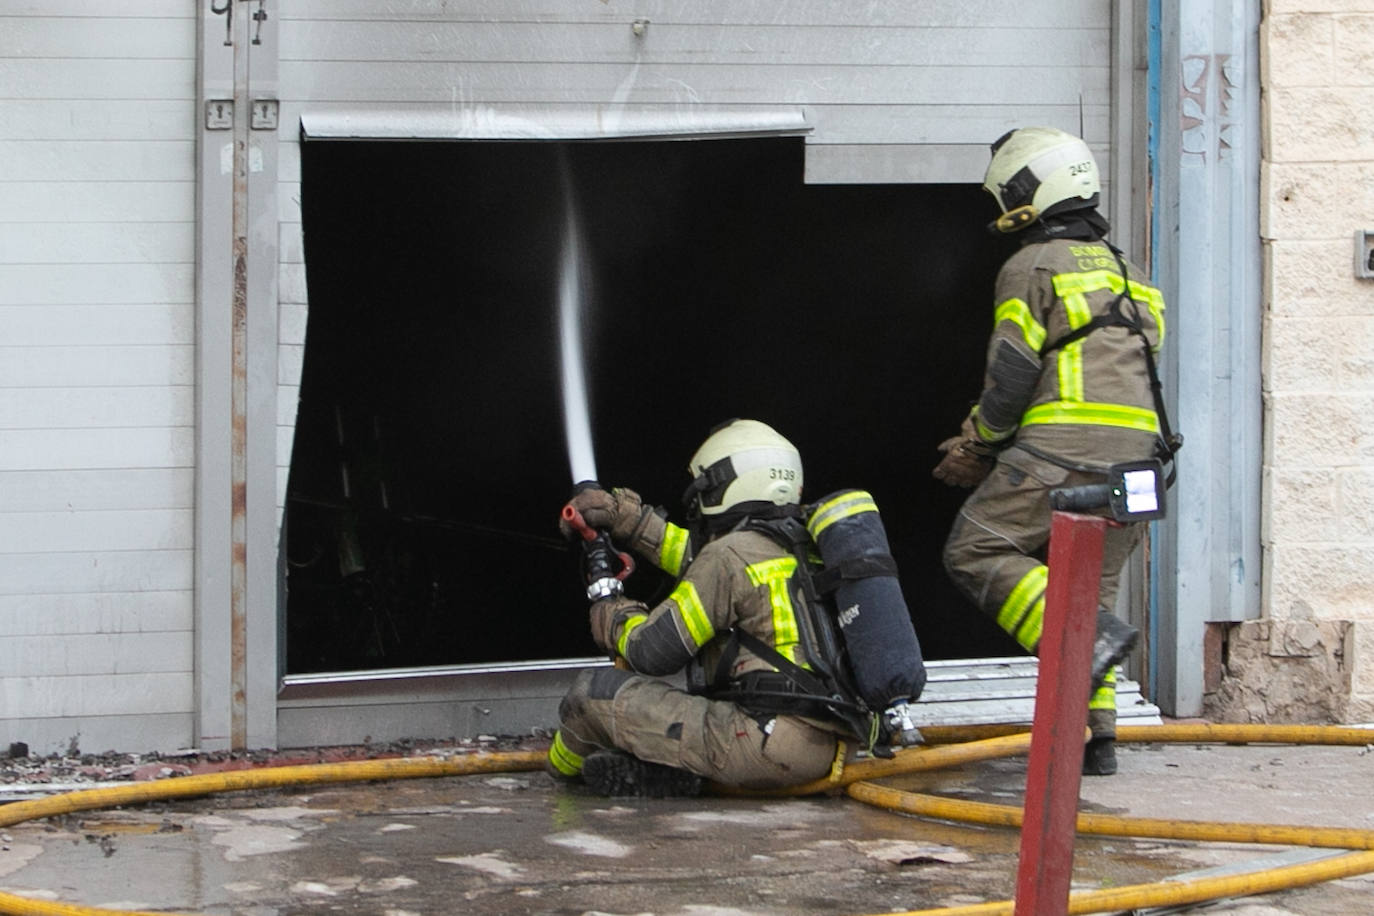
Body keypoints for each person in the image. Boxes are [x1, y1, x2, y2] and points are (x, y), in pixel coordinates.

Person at [934, 127, 1172, 777]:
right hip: (1139, 463)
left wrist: (978, 443)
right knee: (1093, 588)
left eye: (1009, 191)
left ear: (1035, 189)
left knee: (976, 551)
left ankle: (1087, 644)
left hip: (1063, 448)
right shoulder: (1132, 272)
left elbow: (1011, 374)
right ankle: (1096, 739)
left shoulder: (1031, 266)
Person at [547, 419, 909, 797]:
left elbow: (649, 653)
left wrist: (613, 612)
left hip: (762, 748)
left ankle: (559, 780)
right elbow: (696, 558)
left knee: (591, 695)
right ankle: (666, 774)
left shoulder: (728, 556)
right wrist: (628, 520)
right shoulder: (807, 545)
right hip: (835, 746)